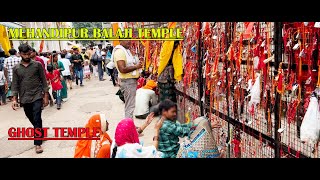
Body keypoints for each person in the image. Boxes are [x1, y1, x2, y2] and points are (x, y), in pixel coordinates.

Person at [11, 44, 49, 154]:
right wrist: (14, 99)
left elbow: (44, 80)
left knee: (37, 117)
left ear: (31, 53)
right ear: (20, 54)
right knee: (31, 117)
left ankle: (37, 144)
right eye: (24, 54)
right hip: (24, 97)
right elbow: (15, 84)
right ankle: (40, 133)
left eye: (28, 54)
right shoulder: (16, 68)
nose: (27, 56)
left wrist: (46, 96)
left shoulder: (37, 65)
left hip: (37, 95)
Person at [112, 40, 142, 118]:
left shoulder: (126, 51)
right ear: (121, 41)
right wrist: (136, 67)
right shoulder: (120, 52)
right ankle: (129, 127)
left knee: (130, 106)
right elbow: (122, 69)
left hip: (129, 81)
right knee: (130, 106)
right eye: (126, 39)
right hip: (128, 82)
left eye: (129, 39)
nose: (129, 41)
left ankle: (129, 125)